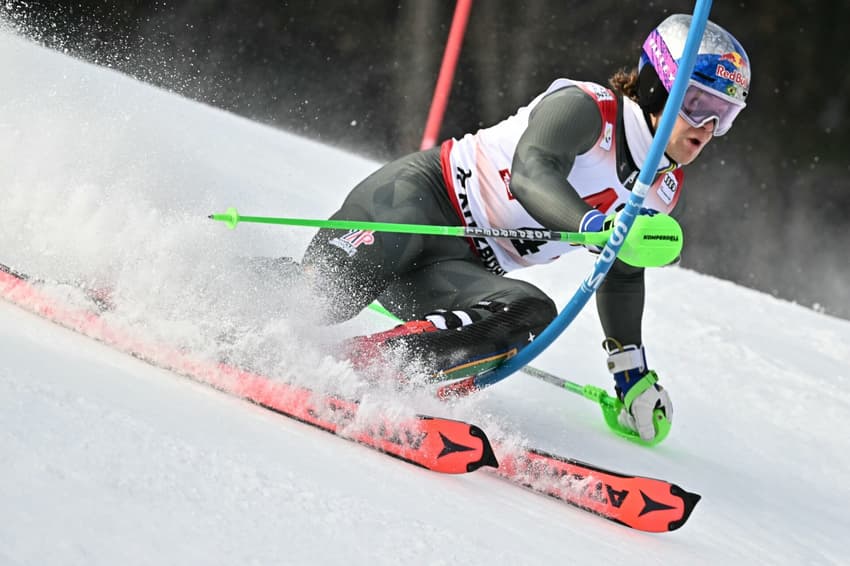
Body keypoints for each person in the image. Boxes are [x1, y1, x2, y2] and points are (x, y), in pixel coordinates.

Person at [297, 14, 751, 442]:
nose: (708, 128)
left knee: (530, 312)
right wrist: (595, 224)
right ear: (657, 85)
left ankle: (369, 369)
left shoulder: (661, 188)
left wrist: (630, 373)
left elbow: (622, 269)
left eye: (724, 116)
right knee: (327, 298)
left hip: (455, 268)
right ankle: (237, 305)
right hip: (415, 205)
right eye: (698, 105)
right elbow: (532, 173)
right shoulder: (588, 109)